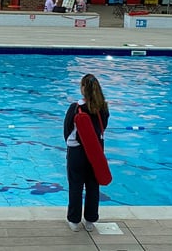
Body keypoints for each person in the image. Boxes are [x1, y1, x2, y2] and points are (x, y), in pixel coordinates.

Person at [63, 73, 110, 232]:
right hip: (96, 151)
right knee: (92, 185)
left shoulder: (75, 108)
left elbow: (67, 130)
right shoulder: (103, 107)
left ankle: (74, 221)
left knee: (75, 185)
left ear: (83, 88)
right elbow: (103, 126)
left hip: (77, 152)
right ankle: (90, 220)